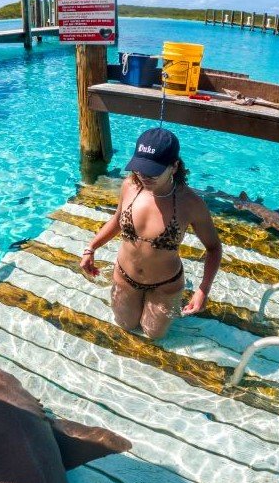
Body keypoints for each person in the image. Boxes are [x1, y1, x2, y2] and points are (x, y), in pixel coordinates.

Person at [80, 128, 222, 339]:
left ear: (174, 166)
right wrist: (91, 248)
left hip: (165, 286)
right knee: (126, 325)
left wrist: (203, 290)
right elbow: (117, 220)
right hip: (124, 277)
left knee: (153, 334)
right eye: (139, 168)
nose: (143, 176)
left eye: (152, 171)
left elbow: (214, 248)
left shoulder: (190, 203)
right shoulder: (130, 185)